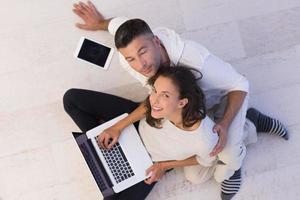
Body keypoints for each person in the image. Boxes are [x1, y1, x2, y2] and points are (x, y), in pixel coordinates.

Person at [64, 1, 289, 199]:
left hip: (211, 108)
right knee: (72, 100)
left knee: (227, 151)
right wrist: (101, 22)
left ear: (156, 41)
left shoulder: (196, 61)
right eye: (131, 58)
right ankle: (107, 149)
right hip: (151, 120)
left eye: (143, 52)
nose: (140, 65)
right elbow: (119, 26)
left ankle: (245, 134)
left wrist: (224, 124)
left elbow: (240, 85)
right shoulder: (136, 62)